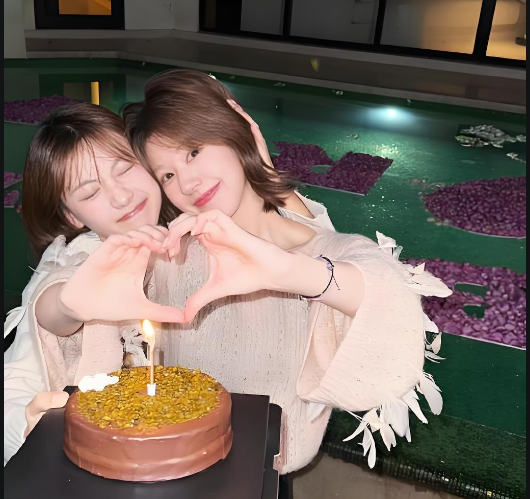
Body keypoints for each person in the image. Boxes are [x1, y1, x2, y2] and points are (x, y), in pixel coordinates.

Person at [120, 69, 453, 478]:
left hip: (262, 473)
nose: (187, 182)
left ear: (236, 131)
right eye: (167, 175)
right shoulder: (173, 253)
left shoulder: (318, 250)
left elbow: (387, 297)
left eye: (193, 151)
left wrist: (285, 272)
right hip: (170, 458)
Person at [4, 101, 316, 466]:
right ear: (72, 216)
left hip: (225, 451)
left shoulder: (195, 230)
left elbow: (314, 259)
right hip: (109, 465)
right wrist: (33, 434)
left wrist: (265, 178)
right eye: (90, 193)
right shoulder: (76, 263)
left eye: (125, 168)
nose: (121, 196)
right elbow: (47, 319)